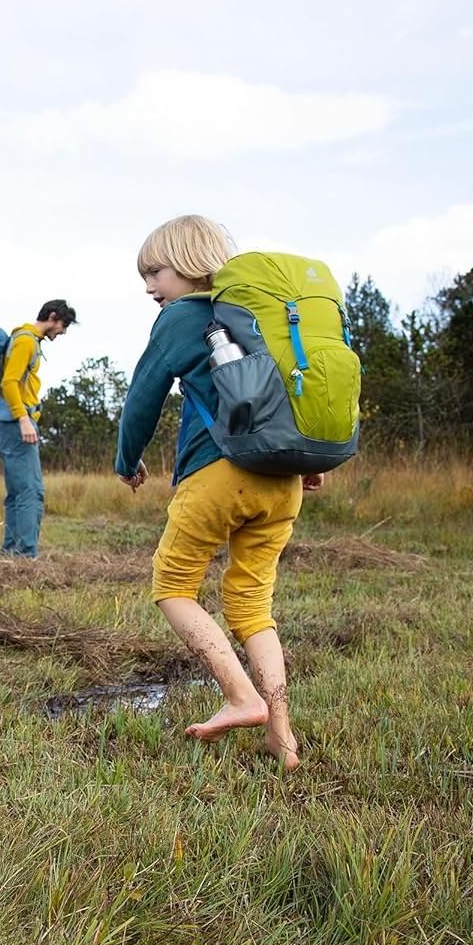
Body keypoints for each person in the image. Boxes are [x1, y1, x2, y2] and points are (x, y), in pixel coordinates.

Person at [114, 214, 323, 770]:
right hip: (283, 480)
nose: (148, 286)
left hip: (218, 474)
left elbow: (143, 397)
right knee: (254, 605)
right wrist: (304, 457)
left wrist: (126, 459)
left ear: (185, 263)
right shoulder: (258, 315)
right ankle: (281, 733)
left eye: (154, 271)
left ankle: (239, 695)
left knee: (174, 585)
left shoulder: (183, 318)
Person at [0, 299, 75, 558]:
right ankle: (25, 555)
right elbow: (9, 382)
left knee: (20, 491)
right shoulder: (26, 341)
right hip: (18, 424)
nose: (62, 333)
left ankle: (11, 552)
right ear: (52, 317)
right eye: (63, 326)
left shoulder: (26, 339)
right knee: (31, 491)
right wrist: (23, 419)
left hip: (14, 423)